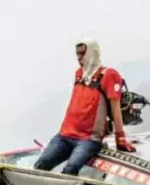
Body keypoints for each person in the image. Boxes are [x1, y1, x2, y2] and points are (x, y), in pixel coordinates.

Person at [34, 38, 135, 176]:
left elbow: (115, 108)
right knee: (40, 165)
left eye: (83, 53)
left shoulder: (109, 75)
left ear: (92, 53)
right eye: (77, 54)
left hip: (88, 139)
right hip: (64, 135)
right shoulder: (79, 74)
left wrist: (120, 138)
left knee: (70, 170)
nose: (79, 58)